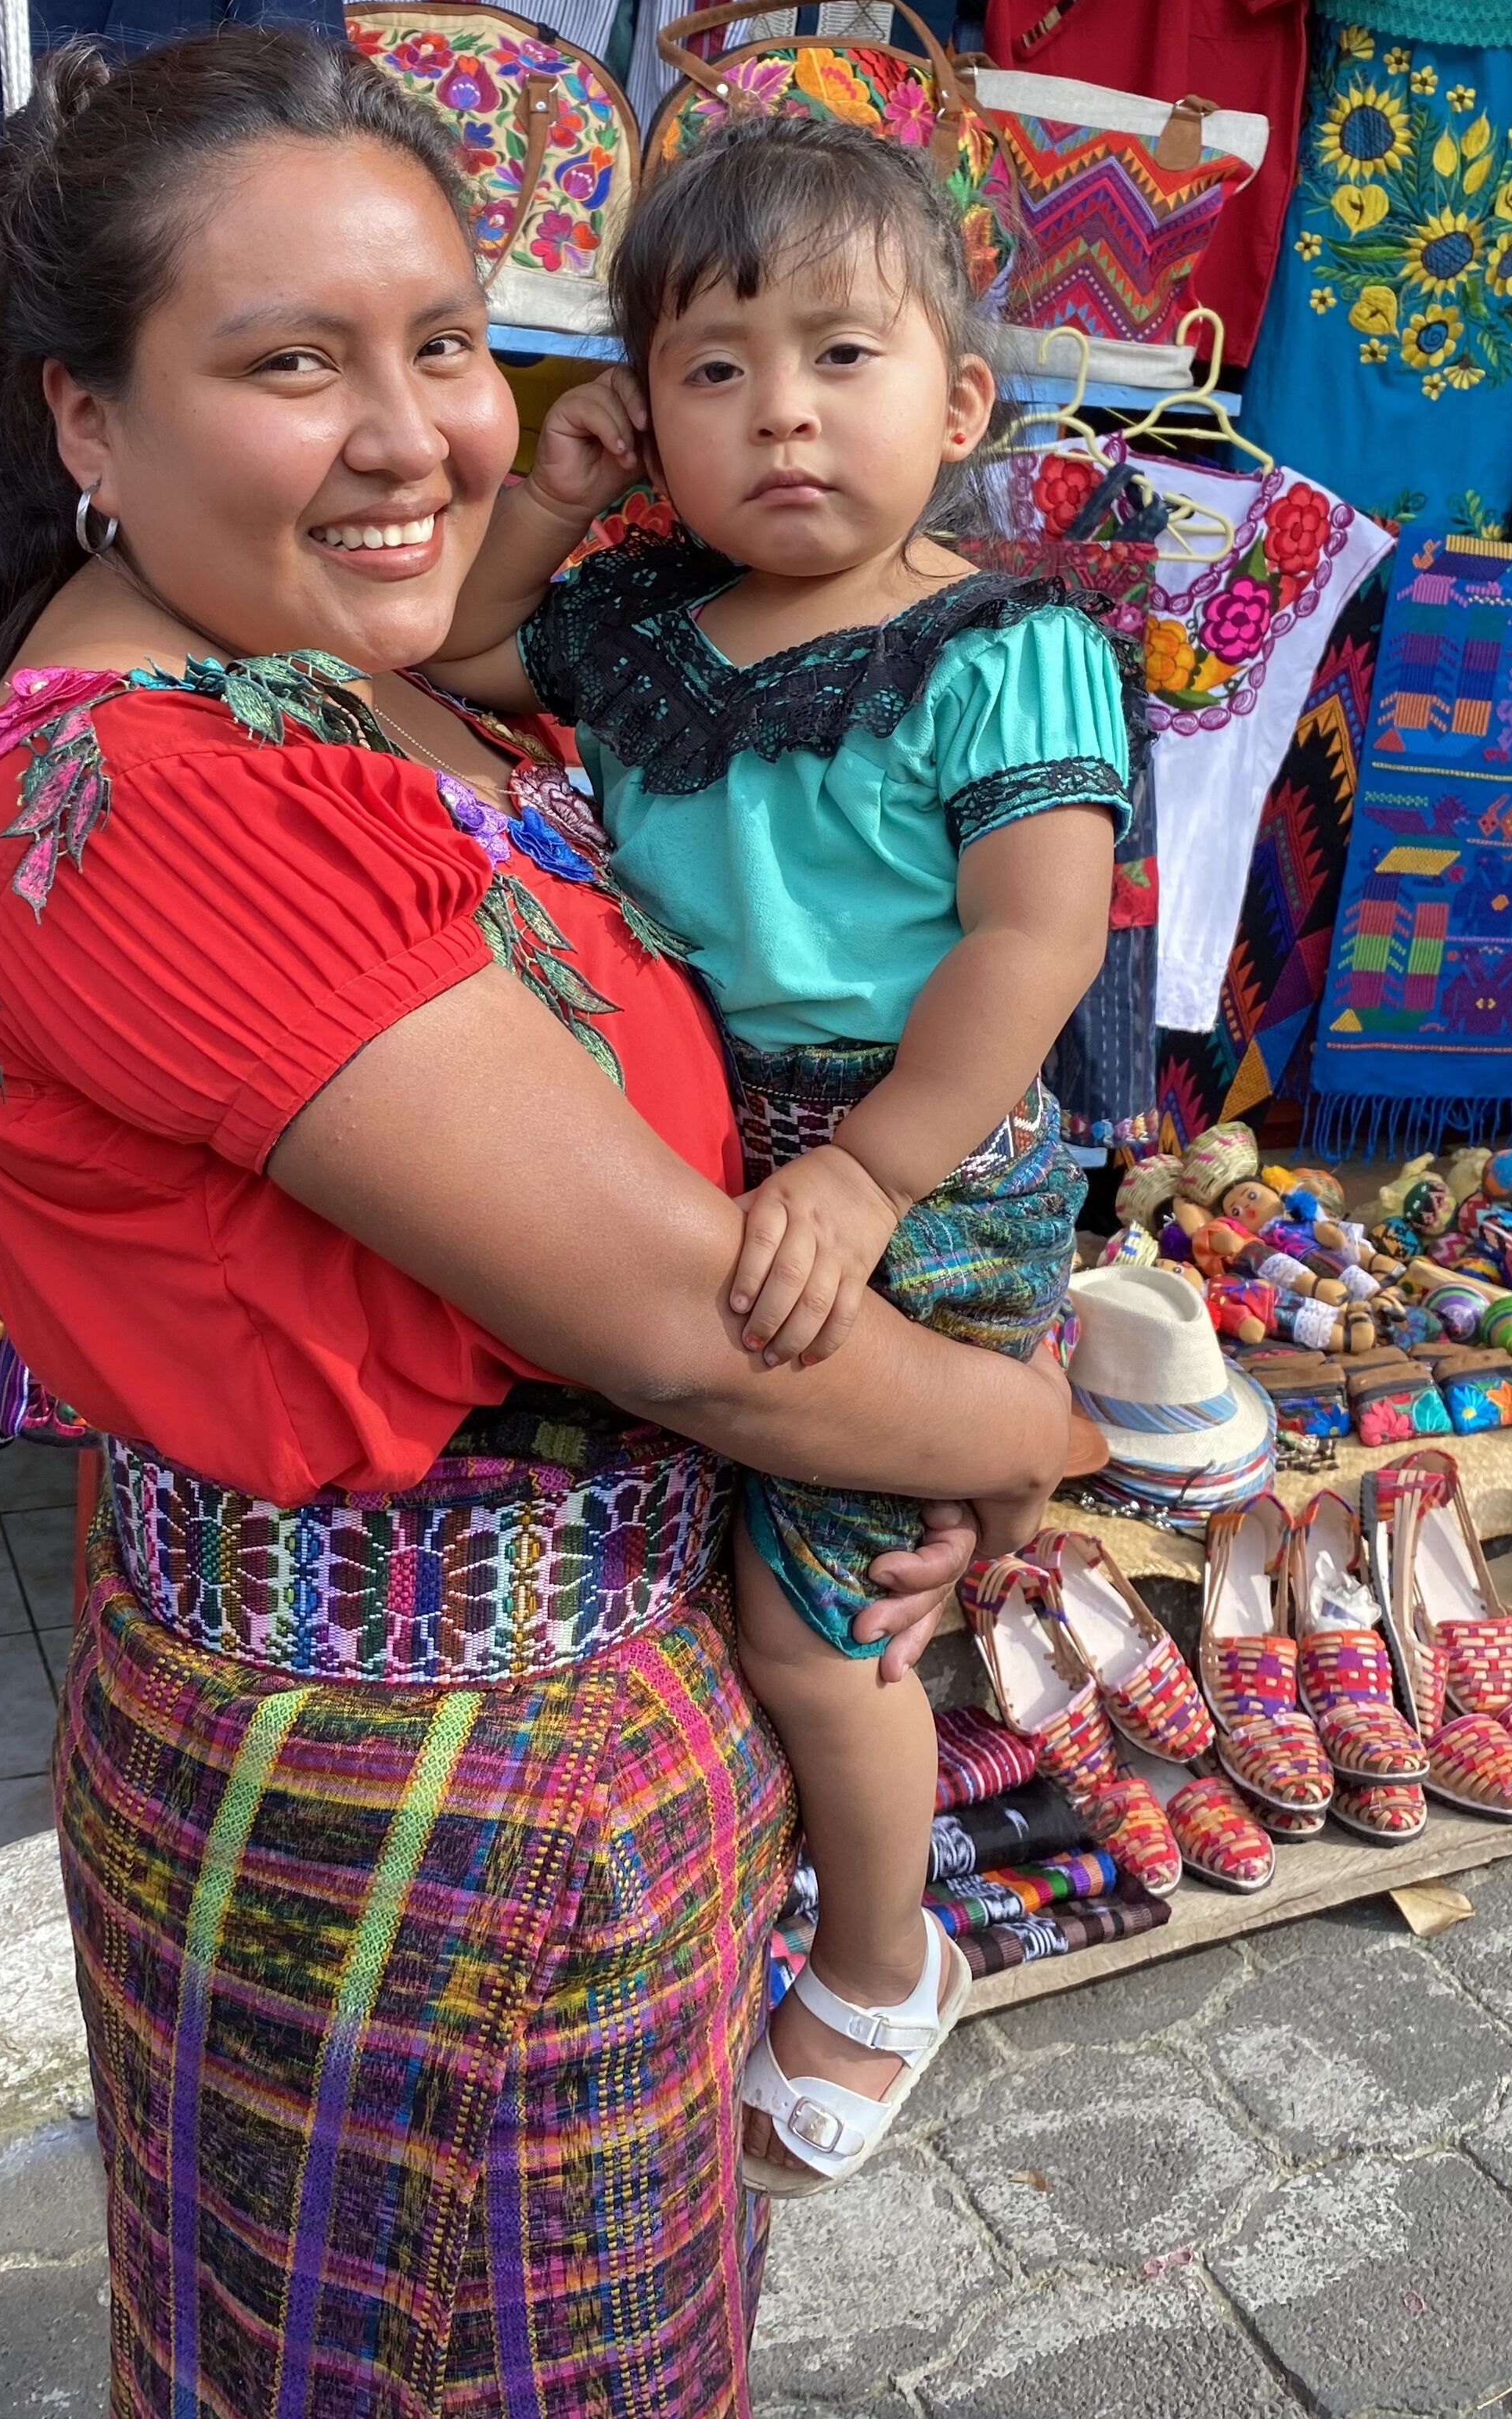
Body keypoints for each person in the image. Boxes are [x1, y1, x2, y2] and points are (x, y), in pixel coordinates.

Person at [0, 32, 1067, 2419]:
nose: (413, 430)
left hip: (522, 1763)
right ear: (88, 421)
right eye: (292, 362)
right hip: (447, 1831)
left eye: (443, 342)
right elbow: (690, 1335)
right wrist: (1029, 1431)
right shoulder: (180, 796)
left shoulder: (351, 683)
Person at [428, 114, 1129, 2192]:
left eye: (841, 355)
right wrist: (550, 502)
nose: (782, 417)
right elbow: (444, 654)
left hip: (923, 1155)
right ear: (643, 410)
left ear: (960, 398)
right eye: (712, 372)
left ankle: (889, 1962)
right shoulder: (638, 618)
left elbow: (1032, 941)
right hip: (705, 1148)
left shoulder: (1000, 638)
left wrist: (866, 1176)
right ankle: (964, 1575)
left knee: (803, 1622)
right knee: (725, 1506)